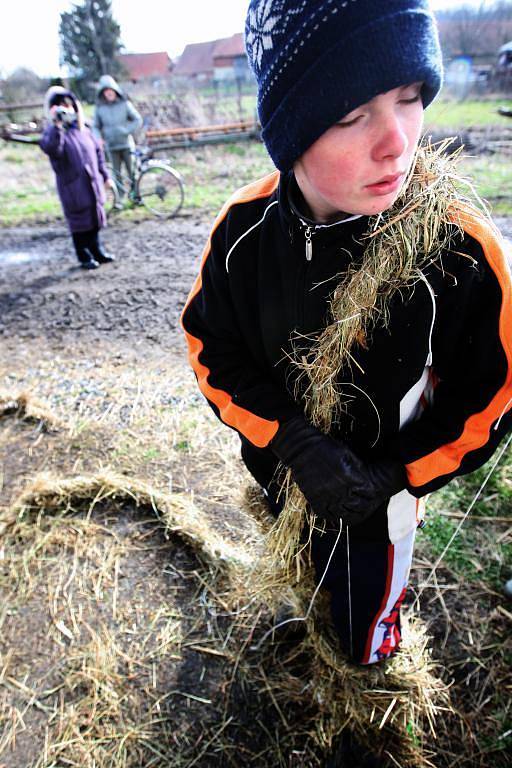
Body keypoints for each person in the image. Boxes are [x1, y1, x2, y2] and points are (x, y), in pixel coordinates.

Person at [181, 0, 512, 669]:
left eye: (410, 96)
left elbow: (493, 392)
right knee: (305, 568)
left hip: (380, 505)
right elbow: (212, 349)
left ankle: (367, 671)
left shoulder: (460, 252)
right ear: (292, 129)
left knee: (367, 605)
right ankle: (314, 628)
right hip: (281, 479)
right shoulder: (241, 235)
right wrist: (289, 439)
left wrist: (397, 474)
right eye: (351, 114)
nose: (397, 141)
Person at [40, 86, 115, 270]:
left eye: (69, 105)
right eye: (61, 106)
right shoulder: (53, 133)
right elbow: (52, 149)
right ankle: (84, 255)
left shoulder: (84, 129)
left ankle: (97, 250)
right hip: (73, 187)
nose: (67, 110)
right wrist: (57, 125)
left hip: (92, 184)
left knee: (94, 220)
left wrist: (105, 176)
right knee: (79, 223)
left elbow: (98, 154)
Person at [93, 75, 143, 205]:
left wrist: (126, 130)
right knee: (116, 174)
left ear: (115, 90)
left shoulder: (125, 104)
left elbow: (138, 120)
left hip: (126, 144)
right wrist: (98, 138)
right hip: (111, 146)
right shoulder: (99, 109)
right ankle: (119, 199)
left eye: (110, 90)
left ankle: (136, 196)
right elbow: (96, 126)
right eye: (105, 91)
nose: (109, 93)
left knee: (133, 172)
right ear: (103, 93)